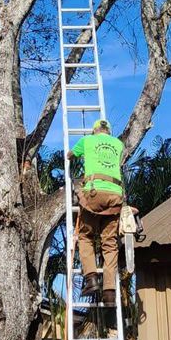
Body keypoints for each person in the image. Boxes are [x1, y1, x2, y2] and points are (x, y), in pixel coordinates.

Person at [68, 118, 125, 304]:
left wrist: (72, 154)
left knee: (85, 236)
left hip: (94, 193)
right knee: (110, 244)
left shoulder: (87, 140)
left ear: (94, 131)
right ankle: (109, 292)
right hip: (115, 195)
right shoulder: (118, 144)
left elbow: (70, 155)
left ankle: (91, 278)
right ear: (108, 131)